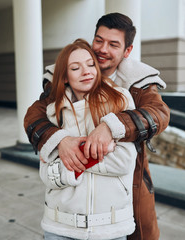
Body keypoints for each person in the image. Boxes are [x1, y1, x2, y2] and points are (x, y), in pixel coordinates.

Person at [24, 12, 170, 240]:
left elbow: (158, 114)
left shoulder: (135, 84)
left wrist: (111, 126)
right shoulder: (64, 78)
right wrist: (61, 141)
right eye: (99, 40)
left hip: (127, 185)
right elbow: (35, 115)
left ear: (127, 51)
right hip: (70, 209)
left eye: (113, 44)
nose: (103, 49)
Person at [40, 38, 137, 240]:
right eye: (75, 68)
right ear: (65, 77)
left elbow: (124, 161)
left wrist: (70, 157)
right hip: (60, 227)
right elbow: (47, 174)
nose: (86, 71)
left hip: (111, 227)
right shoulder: (53, 112)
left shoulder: (120, 100)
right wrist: (101, 150)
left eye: (91, 64)